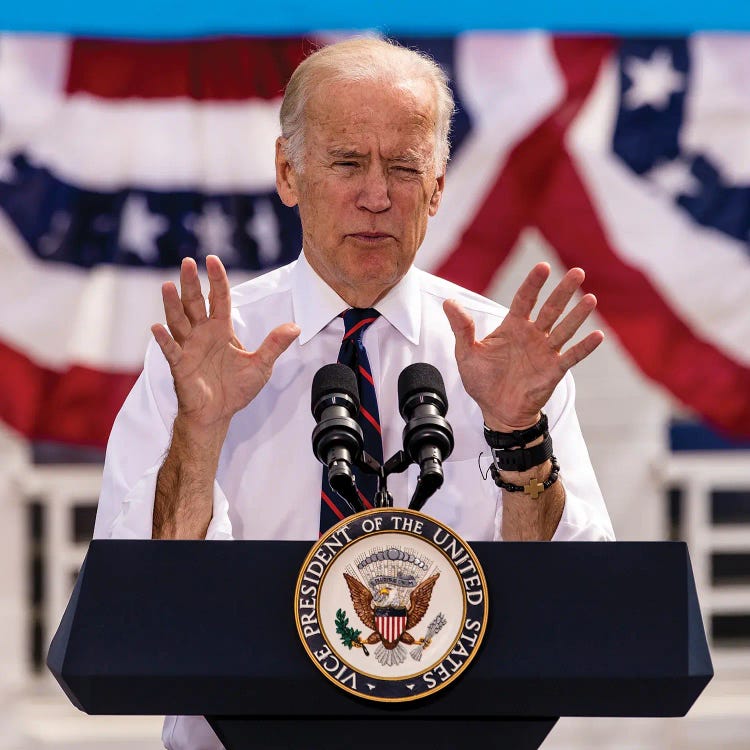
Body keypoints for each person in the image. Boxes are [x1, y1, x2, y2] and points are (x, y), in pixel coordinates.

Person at [93, 37, 614, 749]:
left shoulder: (508, 356)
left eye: (405, 168)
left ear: (436, 186)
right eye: (346, 162)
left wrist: (518, 436)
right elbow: (140, 598)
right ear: (288, 170)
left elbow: (574, 601)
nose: (377, 195)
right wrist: (202, 430)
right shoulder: (208, 351)